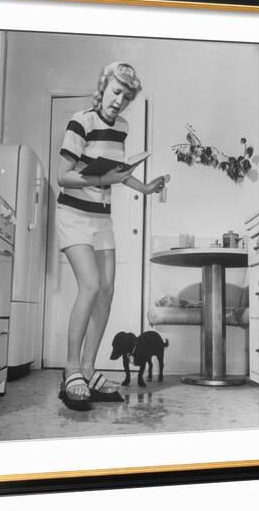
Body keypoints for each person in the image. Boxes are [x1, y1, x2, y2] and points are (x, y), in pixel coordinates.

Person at [56, 61, 166, 411]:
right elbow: (64, 176)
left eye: (127, 97)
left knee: (107, 291)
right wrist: (104, 180)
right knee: (89, 285)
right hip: (73, 214)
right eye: (116, 92)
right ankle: (70, 369)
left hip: (102, 219)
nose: (119, 101)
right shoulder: (80, 120)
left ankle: (88, 369)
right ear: (103, 87)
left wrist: (144, 187)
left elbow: (118, 172)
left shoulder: (122, 127)